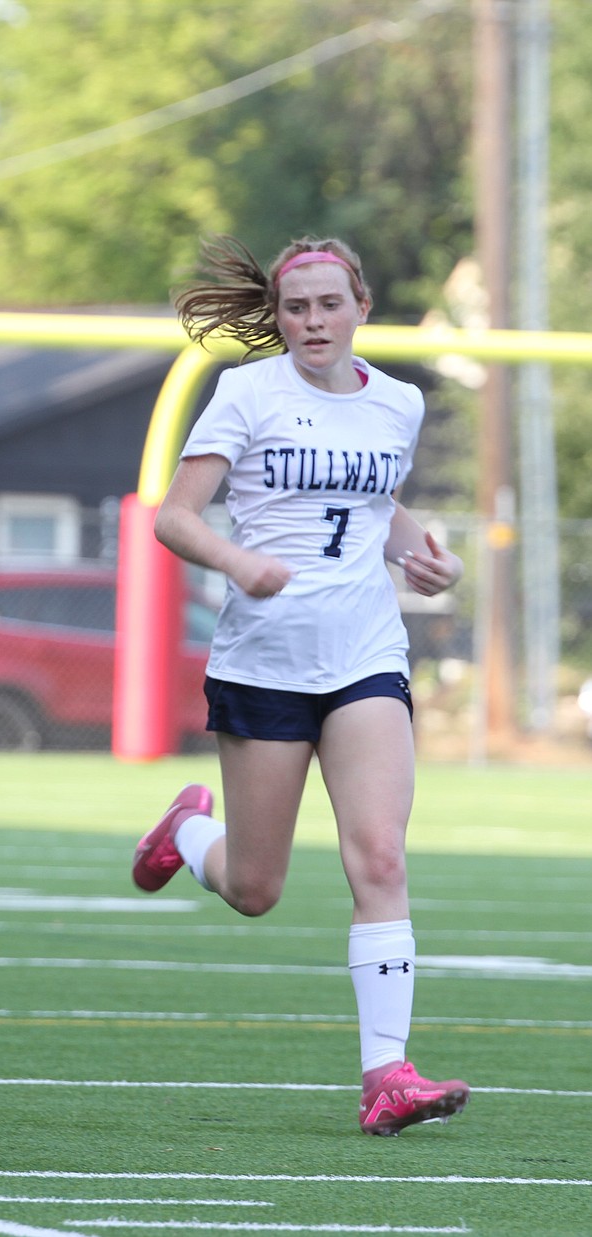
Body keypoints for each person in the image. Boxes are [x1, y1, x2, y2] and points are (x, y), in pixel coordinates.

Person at [131, 234, 469, 1136]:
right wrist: (239, 561)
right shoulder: (247, 392)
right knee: (255, 885)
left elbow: (376, 509)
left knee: (380, 857)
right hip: (263, 664)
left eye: (329, 303)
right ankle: (191, 830)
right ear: (278, 317)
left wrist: (425, 558)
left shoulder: (397, 403)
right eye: (295, 307)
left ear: (361, 304)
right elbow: (175, 517)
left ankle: (387, 1073)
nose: (313, 321)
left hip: (364, 658)